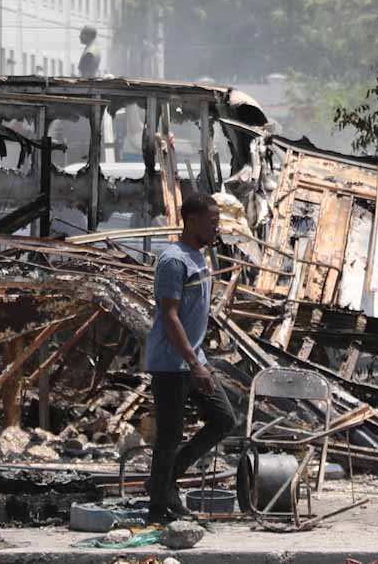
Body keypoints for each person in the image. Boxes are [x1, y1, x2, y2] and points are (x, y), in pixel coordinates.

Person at [143, 190, 235, 523]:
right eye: (212, 223)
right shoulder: (173, 260)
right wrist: (195, 364)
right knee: (169, 434)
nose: (217, 229)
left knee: (225, 419)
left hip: (193, 358)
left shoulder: (200, 257)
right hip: (172, 362)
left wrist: (199, 358)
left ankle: (164, 481)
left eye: (218, 223)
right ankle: (157, 509)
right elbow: (169, 316)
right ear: (191, 221)